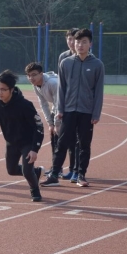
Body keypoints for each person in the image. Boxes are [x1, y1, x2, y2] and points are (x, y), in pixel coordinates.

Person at [41, 28, 104, 188]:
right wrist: (60, 110)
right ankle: (54, 175)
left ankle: (81, 175)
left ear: (90, 44)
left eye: (84, 42)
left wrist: (96, 113)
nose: (80, 45)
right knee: (62, 143)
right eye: (78, 42)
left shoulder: (97, 65)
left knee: (84, 144)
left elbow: (98, 91)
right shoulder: (66, 63)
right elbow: (61, 89)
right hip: (68, 111)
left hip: (86, 111)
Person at [0, 69, 45, 202]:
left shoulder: (25, 105)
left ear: (12, 89)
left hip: (27, 142)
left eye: (3, 89)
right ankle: (36, 172)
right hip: (11, 142)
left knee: (26, 171)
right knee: (11, 170)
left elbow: (39, 126)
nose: (0, 92)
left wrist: (35, 149)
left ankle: (35, 190)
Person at [25, 62, 61, 175]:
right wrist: (50, 123)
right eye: (29, 75)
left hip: (69, 107)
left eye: (34, 74)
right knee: (54, 138)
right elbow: (43, 104)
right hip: (57, 107)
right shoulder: (36, 84)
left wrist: (56, 124)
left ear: (41, 74)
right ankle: (56, 168)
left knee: (65, 139)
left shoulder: (52, 83)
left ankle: (74, 170)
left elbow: (58, 103)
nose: (31, 78)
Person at [57, 27, 80, 182]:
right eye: (69, 39)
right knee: (67, 139)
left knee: (79, 140)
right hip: (66, 104)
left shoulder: (87, 57)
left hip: (80, 105)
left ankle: (77, 170)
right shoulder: (63, 57)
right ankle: (68, 169)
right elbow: (61, 83)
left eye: (74, 39)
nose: (71, 42)